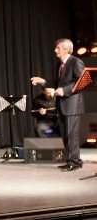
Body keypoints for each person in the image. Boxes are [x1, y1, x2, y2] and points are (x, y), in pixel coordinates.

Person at [31, 38, 85, 171]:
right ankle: (72, 160)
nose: (55, 50)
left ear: (66, 49)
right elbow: (57, 83)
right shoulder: (59, 65)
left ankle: (74, 162)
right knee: (66, 135)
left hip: (72, 105)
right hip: (62, 104)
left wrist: (65, 90)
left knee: (71, 135)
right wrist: (42, 81)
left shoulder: (76, 62)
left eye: (58, 48)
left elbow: (82, 83)